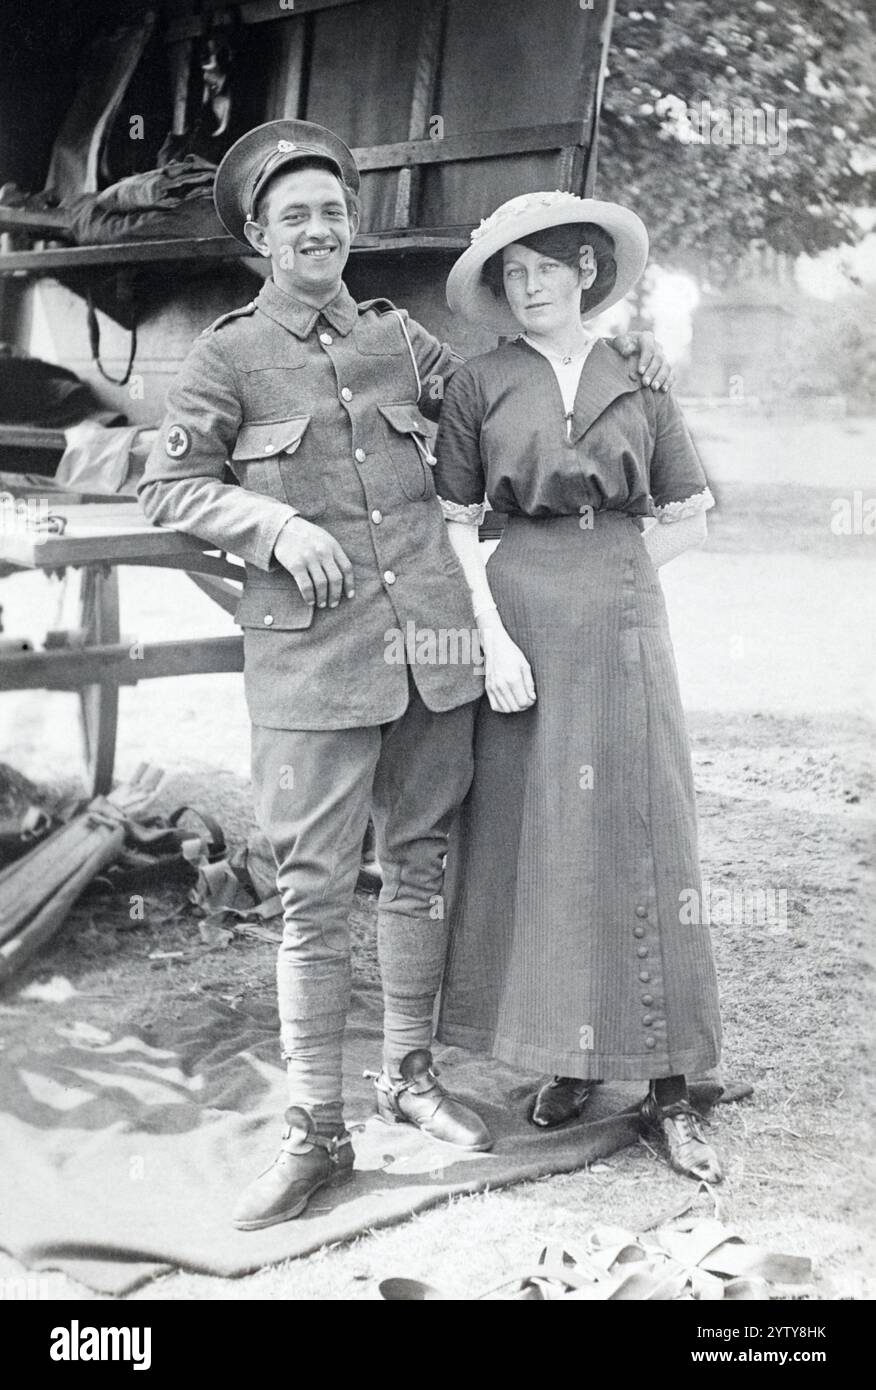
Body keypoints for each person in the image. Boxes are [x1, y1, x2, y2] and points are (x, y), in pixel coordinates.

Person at [139, 123, 672, 1229]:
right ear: (257, 236)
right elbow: (170, 489)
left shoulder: (399, 338)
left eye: (334, 210)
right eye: (296, 216)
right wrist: (273, 523)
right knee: (313, 895)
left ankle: (409, 1074)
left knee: (419, 869)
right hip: (312, 665)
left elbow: (512, 389)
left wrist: (623, 358)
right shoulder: (227, 357)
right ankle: (315, 1130)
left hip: (432, 656)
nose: (321, 228)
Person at [432, 191, 724, 1183]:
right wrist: (495, 640)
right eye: (511, 274)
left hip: (620, 613)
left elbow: (691, 510)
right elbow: (457, 525)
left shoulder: (640, 379)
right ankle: (571, 1060)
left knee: (644, 831)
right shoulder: (480, 383)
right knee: (542, 838)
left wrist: (622, 584)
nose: (528, 286)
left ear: (585, 271)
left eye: (544, 268)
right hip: (518, 621)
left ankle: (672, 1086)